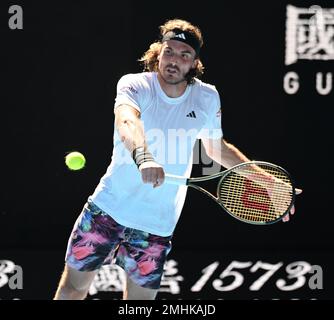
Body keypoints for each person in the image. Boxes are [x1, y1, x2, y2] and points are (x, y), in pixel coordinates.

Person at [54, 18, 302, 300]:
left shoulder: (207, 97)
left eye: (185, 55)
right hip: (107, 210)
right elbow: (126, 121)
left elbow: (217, 149)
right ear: (158, 53)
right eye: (169, 51)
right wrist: (144, 157)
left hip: (156, 225)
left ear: (194, 62)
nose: (175, 60)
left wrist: (268, 182)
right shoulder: (135, 85)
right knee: (74, 289)